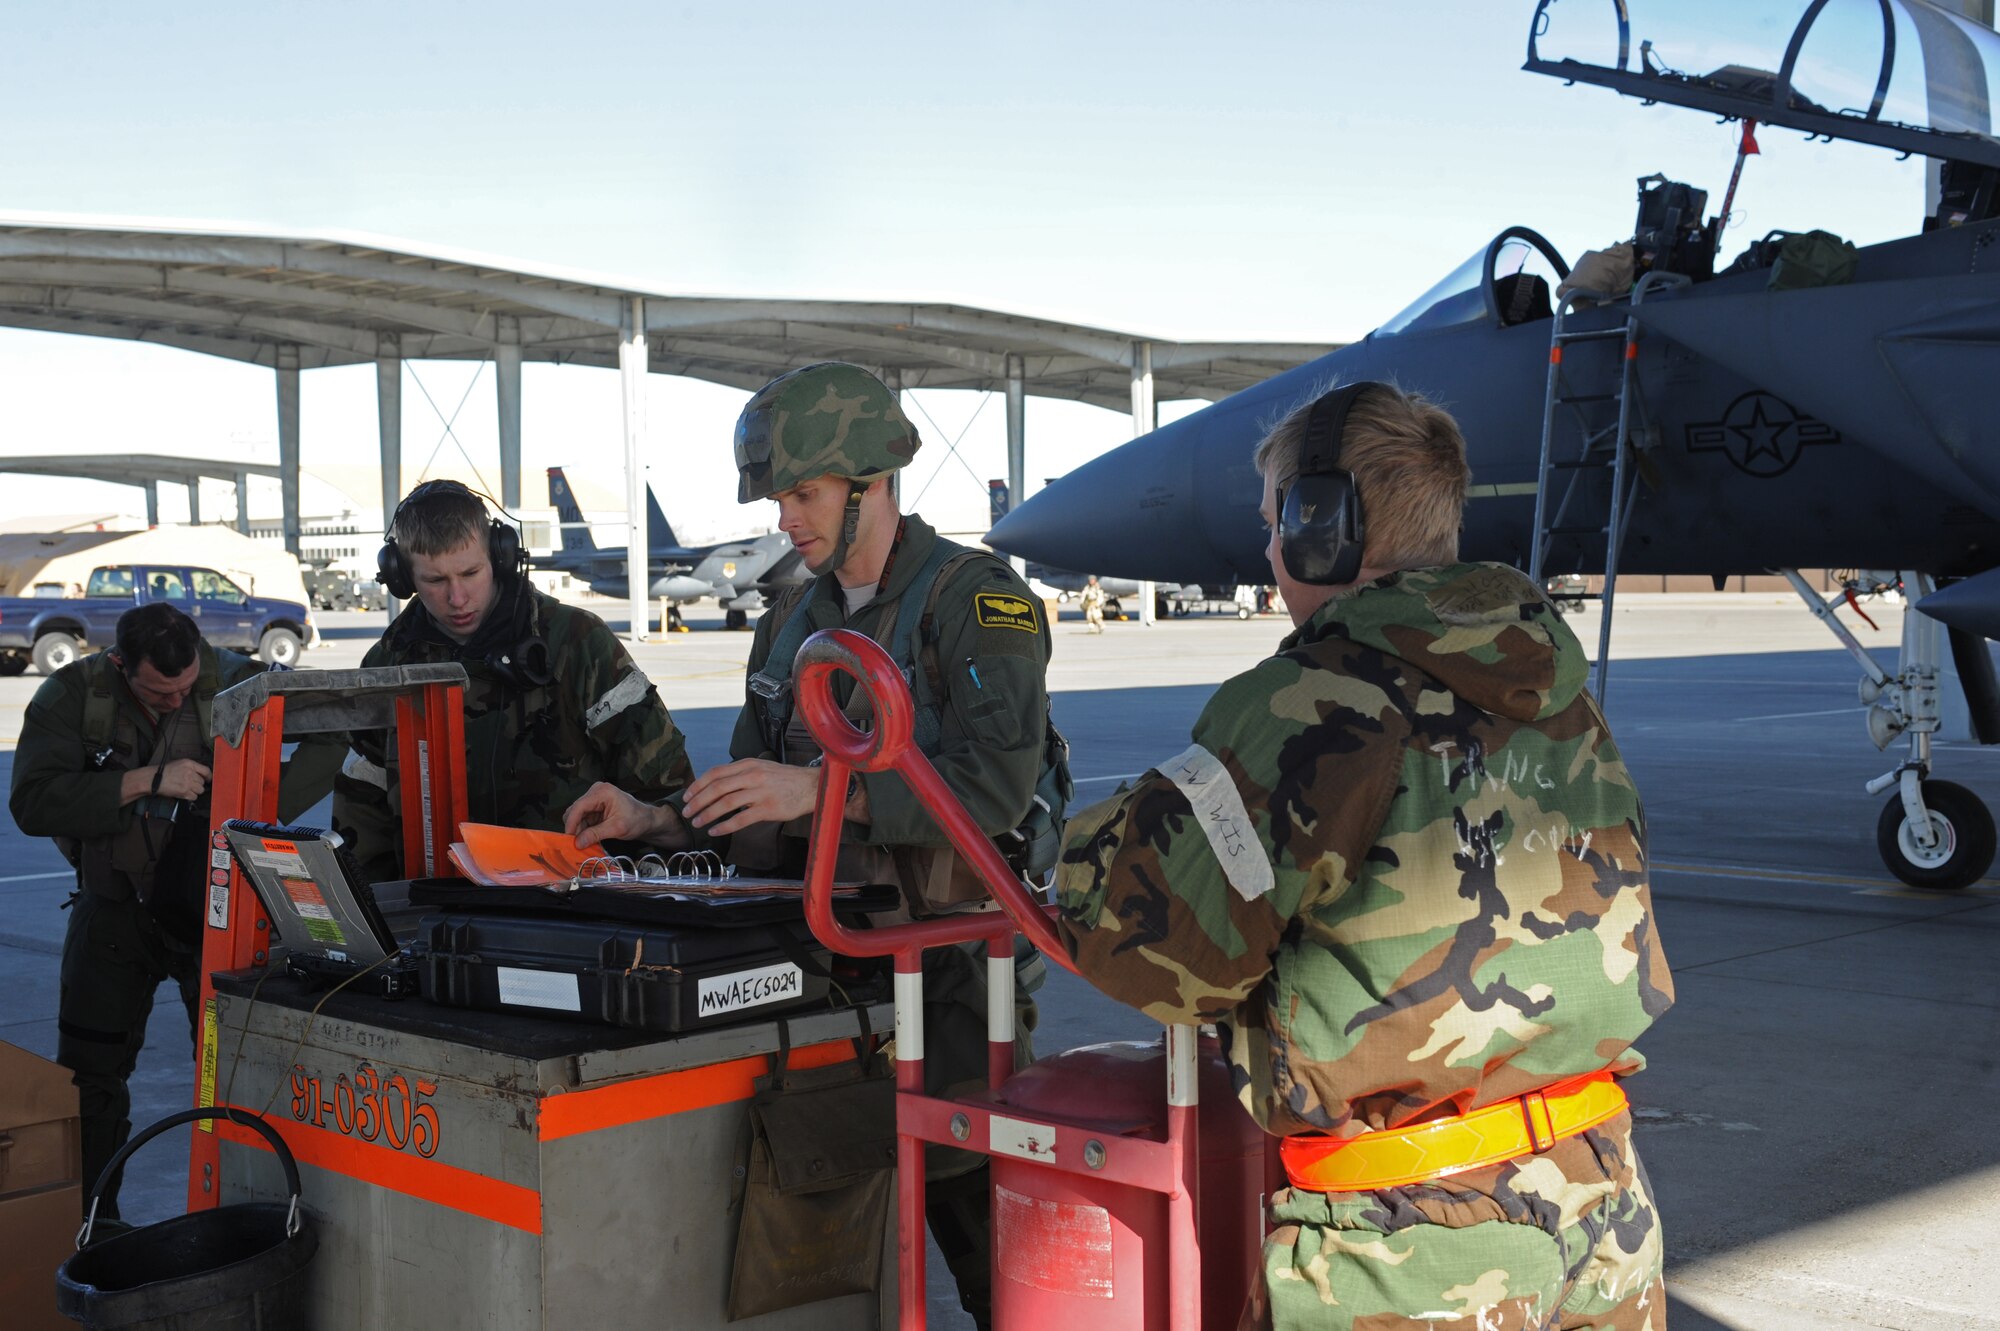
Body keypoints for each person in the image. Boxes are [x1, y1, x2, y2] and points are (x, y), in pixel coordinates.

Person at [1049, 381, 1673, 1331]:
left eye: (1276, 525)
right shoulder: (1553, 681)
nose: (1267, 553)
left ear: (1322, 527)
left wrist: (1082, 850)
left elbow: (1163, 955)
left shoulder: (1307, 699)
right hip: (1605, 1207)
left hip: (1413, 1245)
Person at [565, 362, 1056, 1329]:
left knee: (991, 1254)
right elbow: (759, 797)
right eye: (779, 496)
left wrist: (826, 790)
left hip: (949, 986)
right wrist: (657, 820)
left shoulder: (975, 602)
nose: (785, 519)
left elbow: (996, 790)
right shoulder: (791, 622)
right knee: (831, 1264)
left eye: (803, 493)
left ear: (873, 482)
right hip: (821, 984)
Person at [8, 603, 341, 1221]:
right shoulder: (75, 694)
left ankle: (239, 1222)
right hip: (113, 915)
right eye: (159, 693)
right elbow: (31, 802)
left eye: (185, 689)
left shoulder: (236, 680)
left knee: (233, 1079)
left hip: (211, 919)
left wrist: (243, 804)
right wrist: (142, 782)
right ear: (119, 666)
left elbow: (332, 728)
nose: (174, 701)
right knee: (89, 1079)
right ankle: (93, 1225)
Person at [332, 480, 692, 885]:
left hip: (576, 908)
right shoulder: (388, 664)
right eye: (434, 581)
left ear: (500, 557)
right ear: (402, 578)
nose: (457, 598)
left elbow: (668, 794)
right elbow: (361, 811)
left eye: (471, 572)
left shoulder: (576, 642)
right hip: (438, 914)